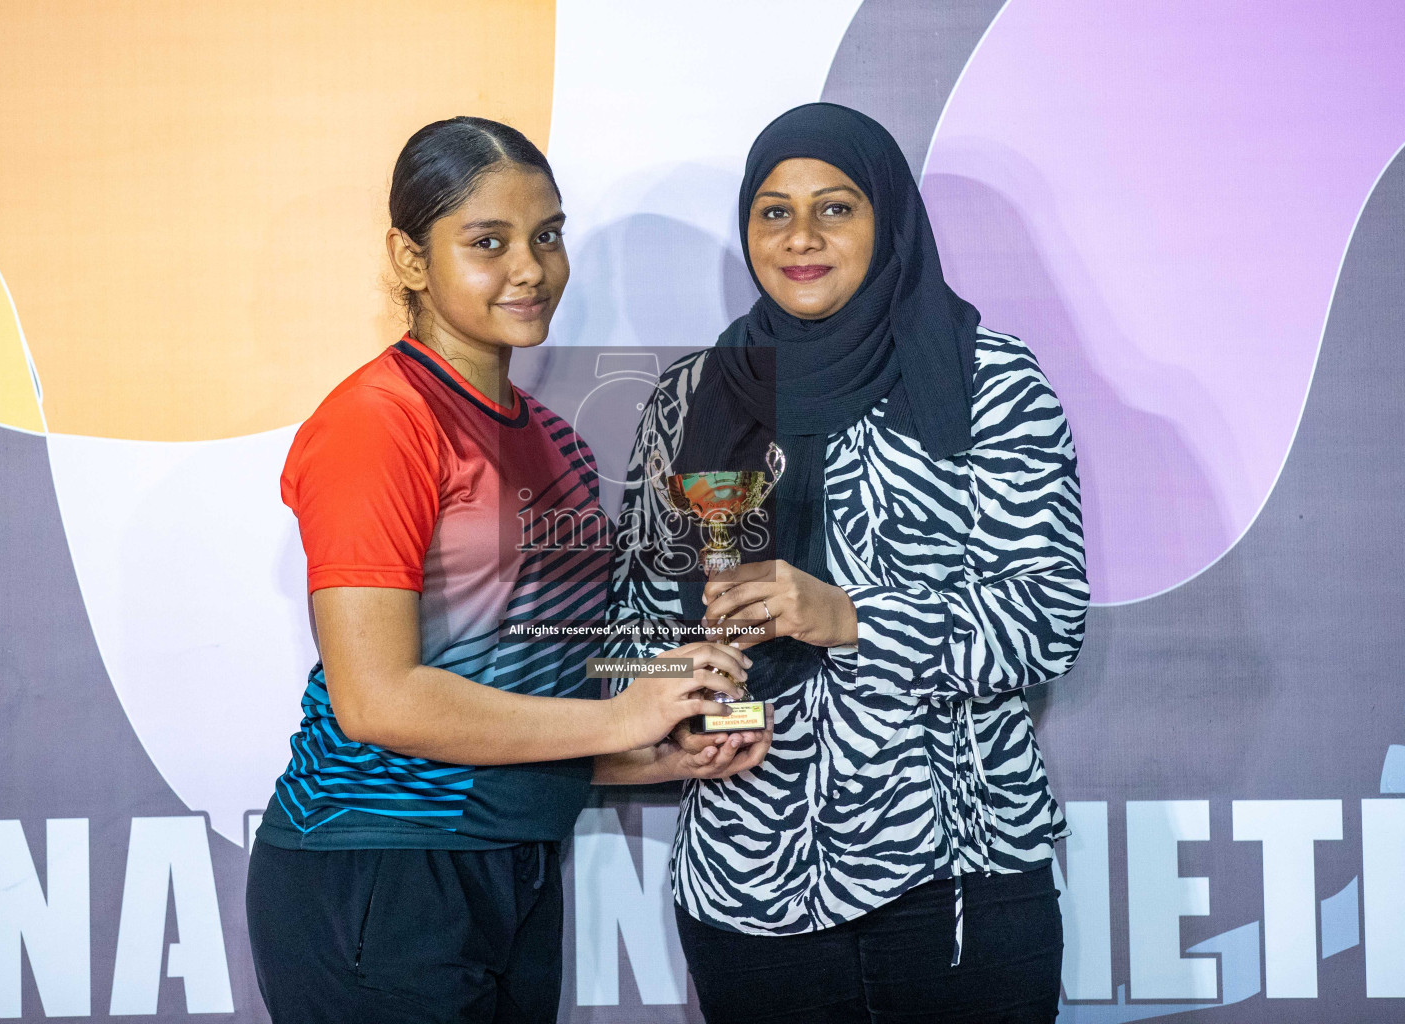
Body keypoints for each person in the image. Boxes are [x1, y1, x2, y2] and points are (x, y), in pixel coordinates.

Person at [244, 115, 771, 1024]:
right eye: (487, 242)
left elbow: (519, 672)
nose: (530, 267)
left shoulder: (557, 443)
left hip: (517, 865)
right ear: (410, 260)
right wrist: (623, 711)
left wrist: (643, 748)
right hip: (380, 870)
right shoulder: (378, 424)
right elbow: (380, 700)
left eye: (548, 235)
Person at [609, 102, 1089, 1023]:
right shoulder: (689, 397)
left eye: (835, 209)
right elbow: (640, 621)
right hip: (745, 875)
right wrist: (681, 702)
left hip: (957, 877)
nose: (801, 239)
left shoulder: (989, 381)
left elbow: (1049, 619)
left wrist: (854, 616)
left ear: (888, 219)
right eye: (773, 211)